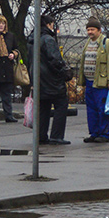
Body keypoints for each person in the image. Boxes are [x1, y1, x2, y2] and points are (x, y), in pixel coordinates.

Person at [78, 17, 109, 143]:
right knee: (91, 110)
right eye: (88, 29)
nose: (90, 32)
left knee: (102, 109)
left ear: (99, 30)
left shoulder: (107, 43)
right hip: (89, 82)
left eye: (92, 29)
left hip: (101, 83)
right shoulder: (87, 43)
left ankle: (105, 134)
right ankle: (94, 133)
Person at [36, 14, 72, 145]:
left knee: (43, 109)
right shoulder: (48, 40)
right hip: (52, 81)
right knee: (61, 106)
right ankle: (56, 136)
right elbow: (56, 60)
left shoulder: (32, 39)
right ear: (49, 24)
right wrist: (65, 72)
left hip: (39, 80)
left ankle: (40, 135)